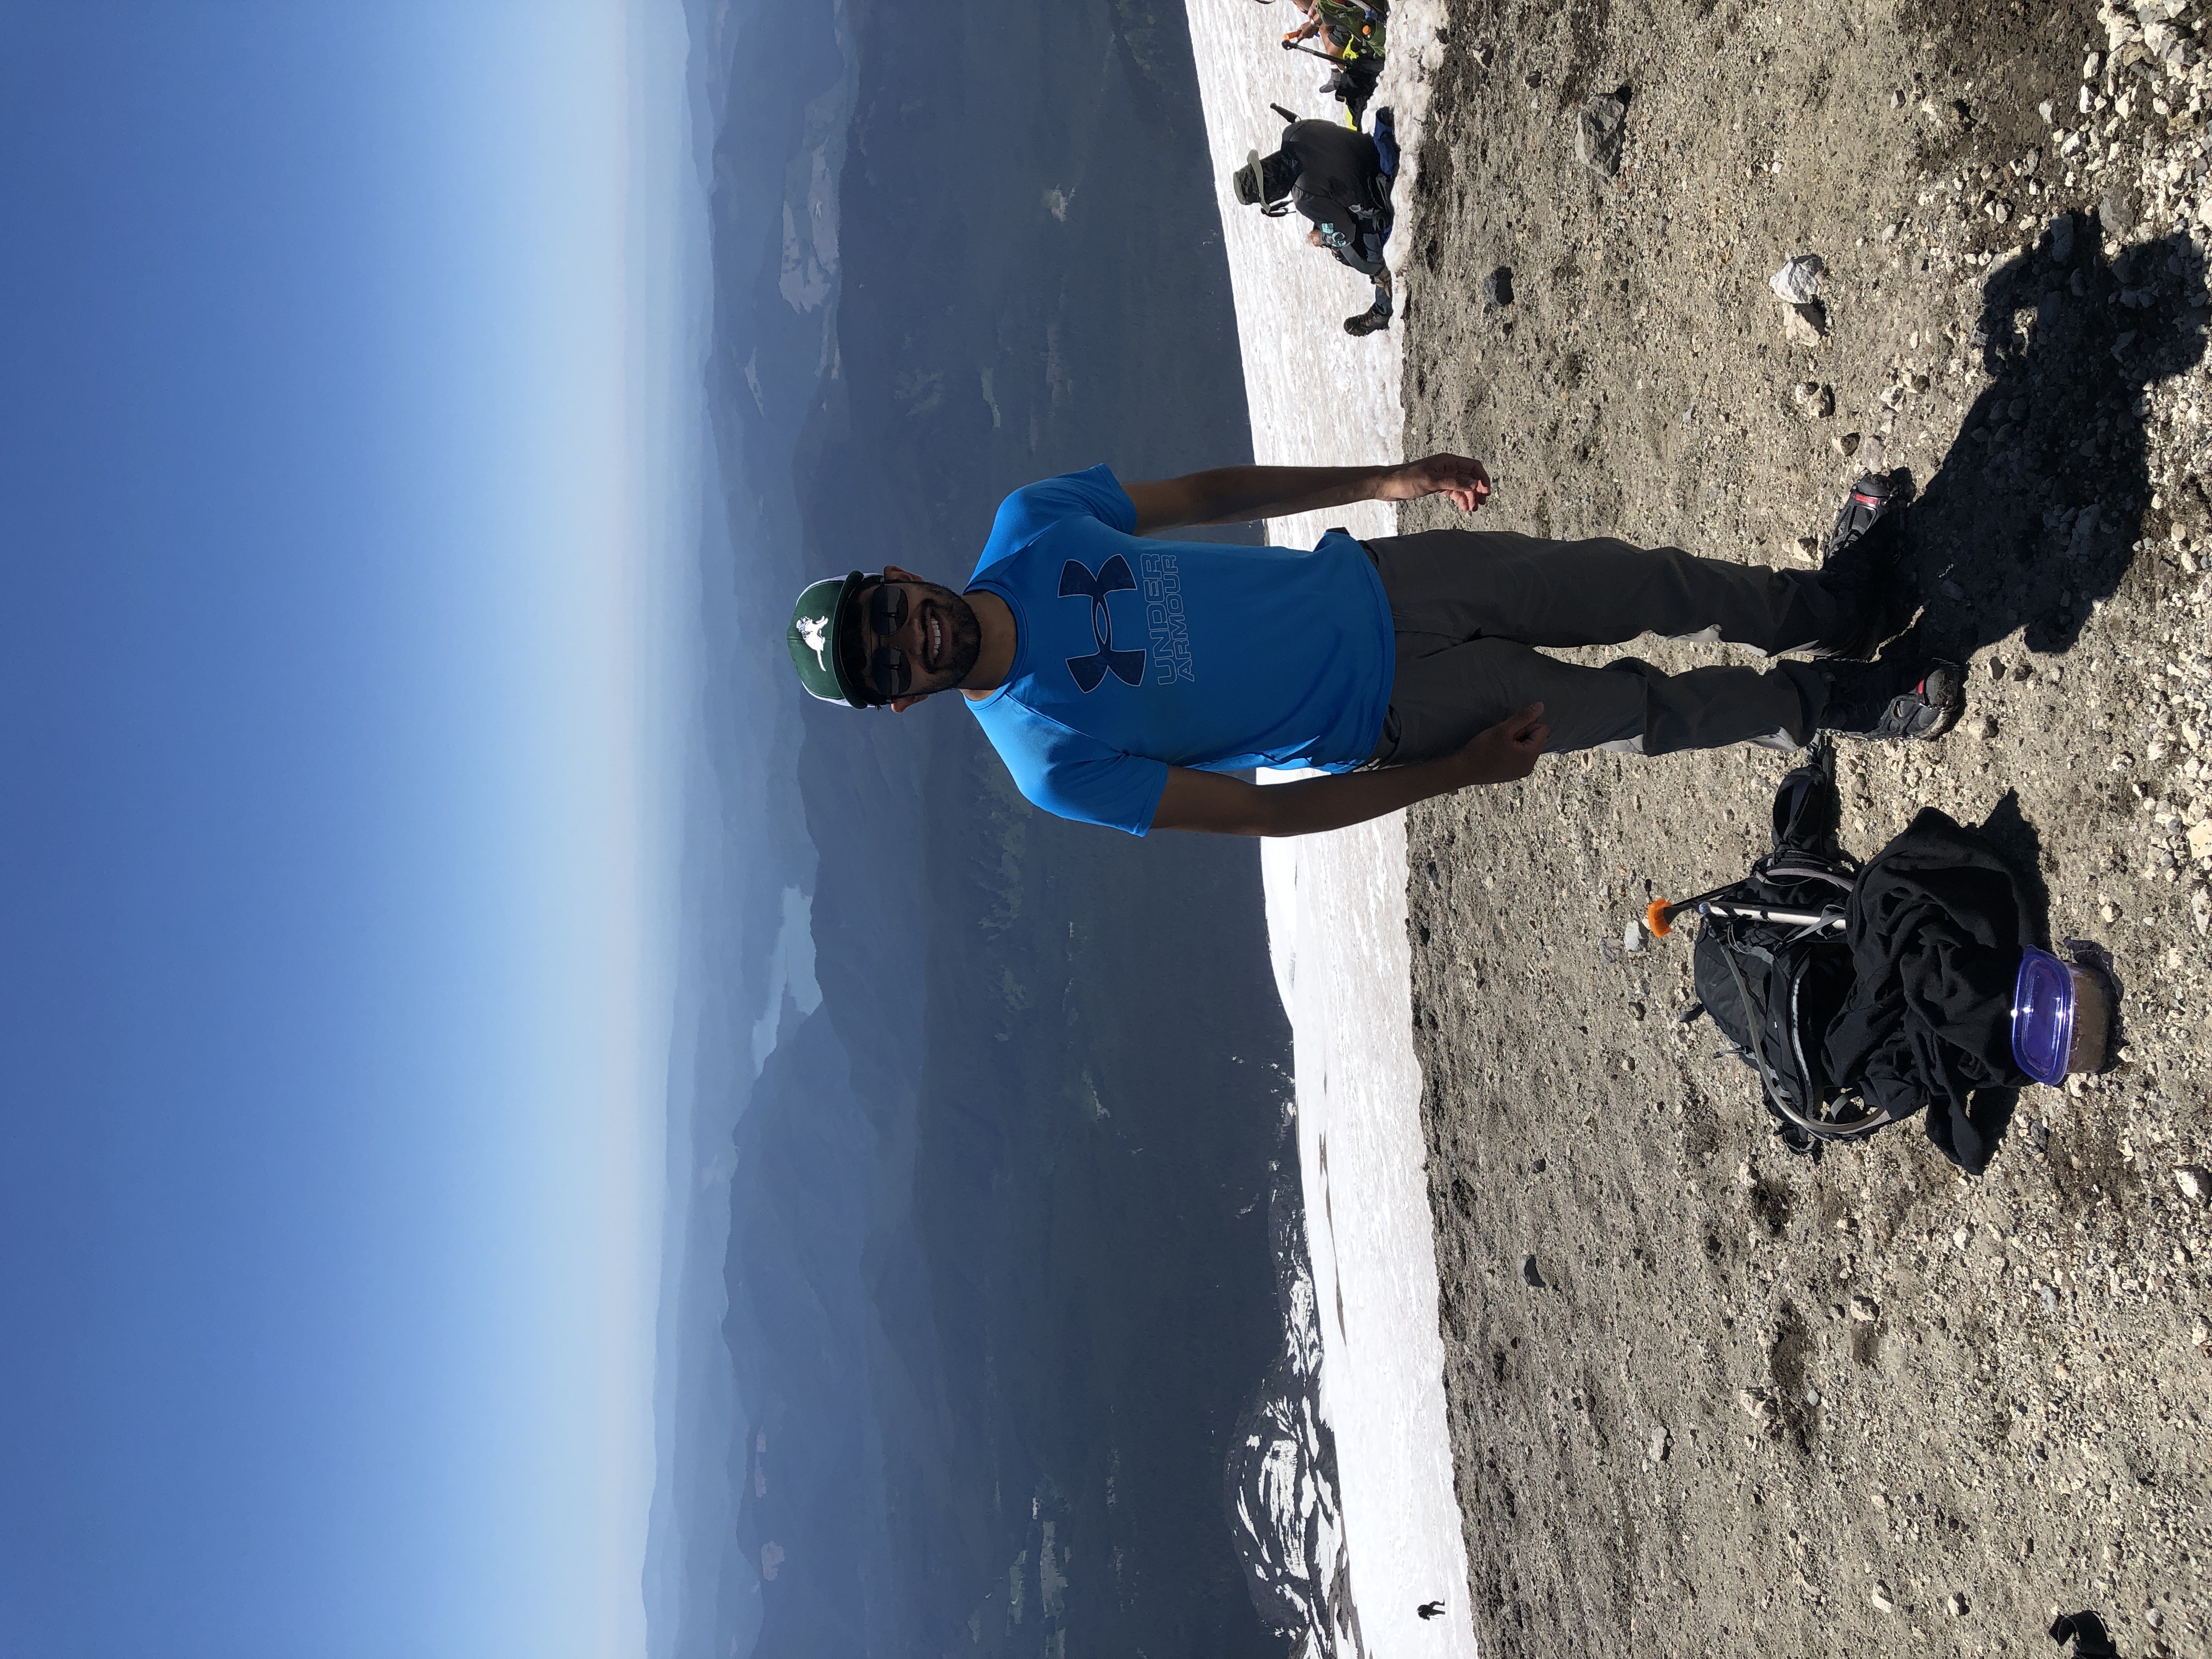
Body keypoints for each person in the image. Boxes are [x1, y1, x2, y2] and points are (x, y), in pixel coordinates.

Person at [782, 456, 1960, 839]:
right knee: (1637, 706)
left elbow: (1208, 492)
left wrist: (1386, 477)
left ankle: (1835, 608)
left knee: (1637, 579)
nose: (906, 640)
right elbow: (1264, 817)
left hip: (1393, 579)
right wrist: (1456, 774)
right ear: (899, 700)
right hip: (1400, 717)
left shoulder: (1031, 522)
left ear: (892, 578)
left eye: (882, 617)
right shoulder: (1049, 765)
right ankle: (1834, 704)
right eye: (885, 664)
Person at [1233, 111, 1397, 336]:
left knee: (1359, 255)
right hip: (1368, 150)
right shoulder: (1294, 133)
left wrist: (1323, 237)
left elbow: (1345, 234)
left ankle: (1382, 310)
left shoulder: (1304, 196)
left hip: (1374, 191)